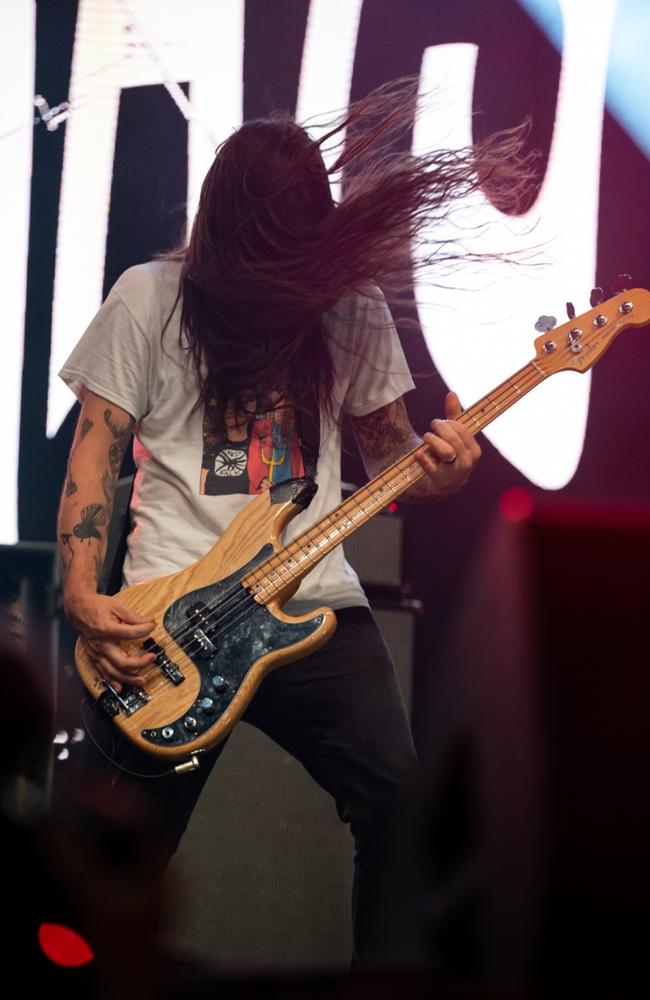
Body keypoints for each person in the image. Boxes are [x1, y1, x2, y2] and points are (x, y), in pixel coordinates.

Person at [56, 80, 529, 967]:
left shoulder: (347, 310)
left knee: (400, 804)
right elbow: (95, 456)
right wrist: (83, 594)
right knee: (106, 855)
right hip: (171, 619)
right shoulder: (149, 299)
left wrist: (445, 473)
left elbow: (394, 465)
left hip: (314, 602)